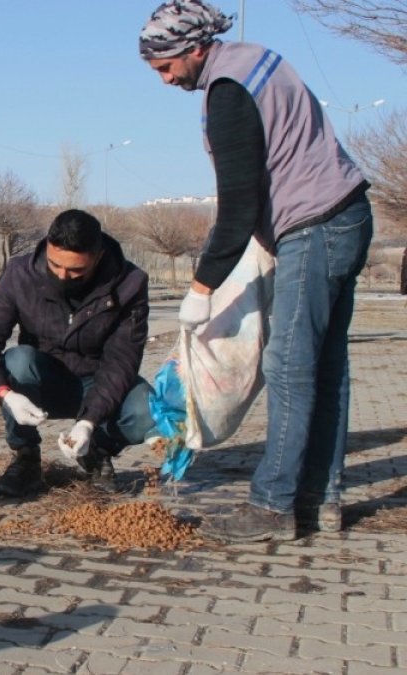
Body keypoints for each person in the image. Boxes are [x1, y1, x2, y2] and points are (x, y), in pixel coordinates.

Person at [139, 0, 374, 542]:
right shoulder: (258, 60)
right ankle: (322, 498)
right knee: (325, 366)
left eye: (166, 67)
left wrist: (202, 287)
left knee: (289, 366)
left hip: (314, 226)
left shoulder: (228, 92)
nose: (165, 79)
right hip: (346, 214)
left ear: (193, 48)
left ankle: (273, 507)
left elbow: (239, 205)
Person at [0, 209, 154, 498]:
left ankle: (94, 451)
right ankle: (26, 458)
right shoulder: (21, 274)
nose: (63, 276)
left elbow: (121, 362)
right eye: (55, 265)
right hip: (43, 381)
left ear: (99, 256)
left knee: (148, 409)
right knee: (18, 361)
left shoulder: (129, 284)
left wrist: (89, 423)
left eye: (76, 270)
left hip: (98, 381)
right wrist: (4, 393)